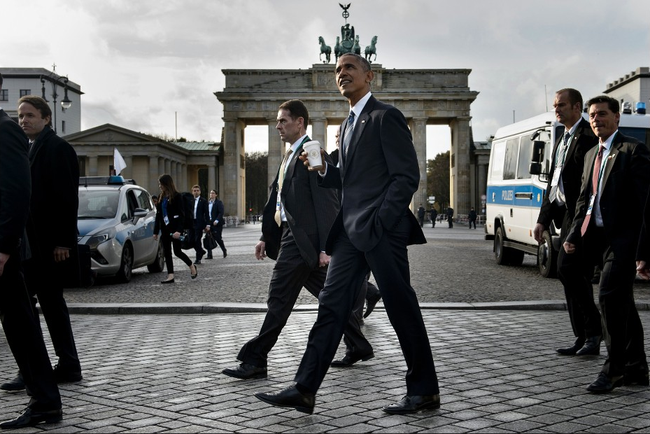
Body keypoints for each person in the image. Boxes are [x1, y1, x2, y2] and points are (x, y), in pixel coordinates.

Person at [255, 54, 439, 415]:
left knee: (402, 308)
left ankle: (424, 390)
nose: (342, 74)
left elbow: (406, 178)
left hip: (380, 232)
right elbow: (347, 179)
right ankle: (305, 387)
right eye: (338, 70)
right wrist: (324, 168)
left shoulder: (386, 117)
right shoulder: (349, 125)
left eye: (349, 68)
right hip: (350, 235)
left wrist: (380, 221)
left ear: (369, 77)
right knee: (331, 306)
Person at [222, 99, 373, 380]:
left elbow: (328, 203)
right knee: (330, 299)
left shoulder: (312, 152)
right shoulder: (290, 154)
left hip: (303, 243)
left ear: (300, 123)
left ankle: (256, 360)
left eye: (283, 120)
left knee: (278, 299)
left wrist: (327, 247)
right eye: (277, 121)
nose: (277, 125)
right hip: (294, 242)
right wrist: (267, 237)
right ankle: (358, 344)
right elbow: (278, 201)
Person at [564, 95, 650, 394]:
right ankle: (637, 368)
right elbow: (584, 200)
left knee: (609, 296)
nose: (596, 119)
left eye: (602, 114)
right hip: (597, 239)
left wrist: (644, 252)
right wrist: (573, 234)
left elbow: (645, 206)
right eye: (592, 115)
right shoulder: (590, 155)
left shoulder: (634, 151)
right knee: (622, 302)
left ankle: (614, 370)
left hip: (624, 240)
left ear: (617, 118)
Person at [1, 95, 82, 393]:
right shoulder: (27, 145)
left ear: (47, 118)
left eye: (30, 115)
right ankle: (63, 365)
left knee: (41, 306)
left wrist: (63, 241)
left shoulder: (58, 147)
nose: (24, 120)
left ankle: (42, 368)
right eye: (20, 116)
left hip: (47, 245)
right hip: (32, 244)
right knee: (44, 305)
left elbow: (66, 198)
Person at [0, 75, 63, 429]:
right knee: (20, 324)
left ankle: (45, 402)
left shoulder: (5, 130)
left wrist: (4, 247)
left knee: (22, 326)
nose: (24, 119)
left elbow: (17, 192)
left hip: (3, 250)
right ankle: (44, 401)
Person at [533, 88, 601, 357]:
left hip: (581, 216)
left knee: (567, 269)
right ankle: (584, 336)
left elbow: (589, 185)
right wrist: (542, 220)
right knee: (574, 275)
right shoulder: (561, 139)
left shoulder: (587, 137)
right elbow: (553, 183)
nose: (556, 109)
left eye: (561, 105)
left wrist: (578, 225)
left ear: (577, 107)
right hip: (563, 216)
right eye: (554, 105)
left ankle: (594, 332)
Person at [153, 174, 197, 284]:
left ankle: (192, 266)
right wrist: (155, 231)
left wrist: (179, 230)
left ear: (166, 184)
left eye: (161, 184)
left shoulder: (177, 197)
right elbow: (158, 215)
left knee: (177, 252)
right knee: (167, 252)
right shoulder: (161, 197)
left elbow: (181, 215)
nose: (159, 186)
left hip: (175, 229)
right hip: (165, 229)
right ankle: (170, 275)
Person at [189, 185, 209, 265]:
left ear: (200, 191)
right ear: (192, 191)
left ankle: (198, 258)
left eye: (197, 190)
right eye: (194, 190)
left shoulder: (203, 201)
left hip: (199, 223)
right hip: (191, 223)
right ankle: (201, 251)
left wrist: (208, 225)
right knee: (190, 240)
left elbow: (206, 213)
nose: (196, 192)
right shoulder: (189, 200)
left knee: (197, 240)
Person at [206, 190, 227, 259]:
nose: (211, 194)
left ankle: (224, 250)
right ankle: (209, 255)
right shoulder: (207, 203)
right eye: (210, 193)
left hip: (217, 224)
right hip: (209, 223)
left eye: (213, 193)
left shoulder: (219, 202)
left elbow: (221, 212)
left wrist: (217, 220)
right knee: (208, 238)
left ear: (216, 195)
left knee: (218, 238)